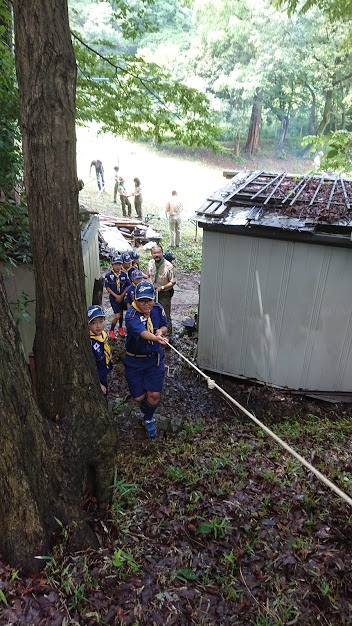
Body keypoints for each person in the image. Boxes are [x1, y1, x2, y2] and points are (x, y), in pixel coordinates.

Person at [124, 281, 168, 438]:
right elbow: (142, 333)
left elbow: (164, 326)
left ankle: (148, 419)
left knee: (154, 395)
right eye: (142, 300)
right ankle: (146, 408)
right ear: (135, 299)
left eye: (149, 300)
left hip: (154, 359)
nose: (146, 304)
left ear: (153, 298)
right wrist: (156, 338)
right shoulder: (131, 315)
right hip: (135, 360)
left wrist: (160, 332)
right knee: (139, 397)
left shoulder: (158, 309)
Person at [147, 244, 175, 337]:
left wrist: (162, 287)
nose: (157, 255)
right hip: (153, 292)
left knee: (165, 314)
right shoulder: (151, 263)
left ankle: (167, 337)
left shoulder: (168, 266)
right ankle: (153, 333)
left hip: (164, 293)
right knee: (152, 312)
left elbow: (173, 281)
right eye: (154, 253)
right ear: (152, 254)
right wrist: (150, 283)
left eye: (158, 252)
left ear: (162, 253)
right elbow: (148, 276)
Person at [88, 305, 112, 395]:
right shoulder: (91, 342)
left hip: (105, 370)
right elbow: (90, 365)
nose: (98, 326)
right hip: (98, 375)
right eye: (93, 323)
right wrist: (98, 383)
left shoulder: (103, 335)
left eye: (101, 322)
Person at [104, 255, 131, 338]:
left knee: (121, 313)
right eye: (116, 264)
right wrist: (116, 296)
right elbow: (107, 287)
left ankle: (120, 327)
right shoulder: (108, 275)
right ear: (112, 264)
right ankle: (111, 330)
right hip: (114, 298)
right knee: (117, 315)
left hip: (122, 297)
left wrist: (122, 295)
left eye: (119, 264)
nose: (118, 266)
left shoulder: (124, 274)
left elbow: (128, 285)